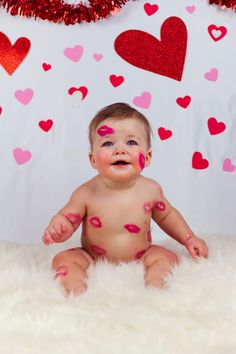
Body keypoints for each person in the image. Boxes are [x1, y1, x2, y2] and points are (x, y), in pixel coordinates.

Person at [42, 102, 208, 296]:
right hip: (93, 256)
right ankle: (77, 289)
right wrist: (61, 227)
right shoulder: (86, 193)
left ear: (147, 157)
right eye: (108, 143)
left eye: (131, 142)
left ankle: (156, 284)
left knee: (166, 256)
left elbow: (167, 216)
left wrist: (189, 238)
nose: (119, 150)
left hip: (142, 254)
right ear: (93, 159)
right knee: (62, 259)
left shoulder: (151, 190)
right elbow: (67, 218)